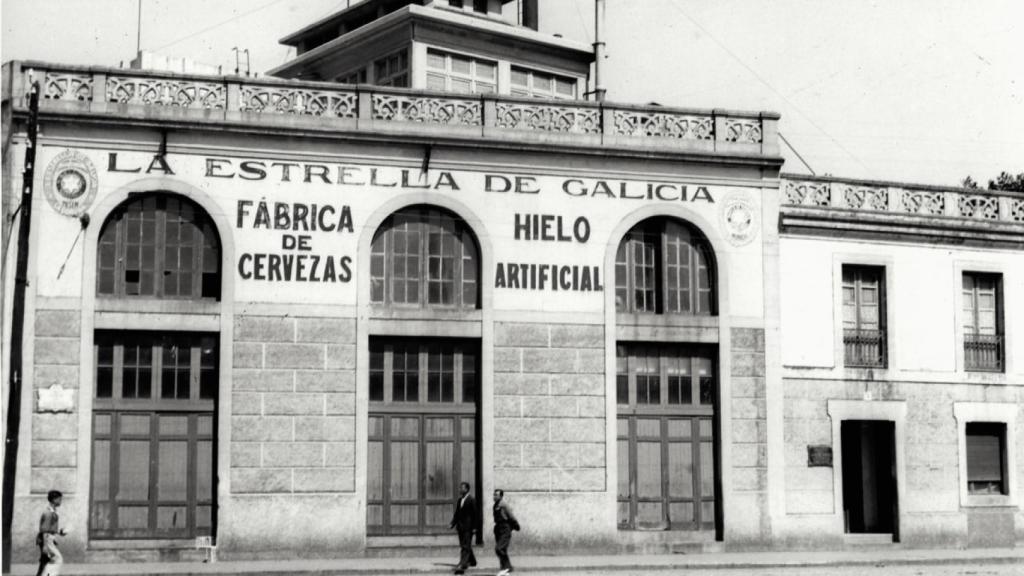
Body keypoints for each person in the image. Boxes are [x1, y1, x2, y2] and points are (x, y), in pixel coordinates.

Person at [449, 481, 479, 574]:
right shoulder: (460, 500)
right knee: (465, 545)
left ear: (466, 489)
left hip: (468, 527)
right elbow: (457, 514)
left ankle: (462, 564)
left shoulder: (471, 499)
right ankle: (473, 561)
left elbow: (475, 515)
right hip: (460, 527)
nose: (460, 489)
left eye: (461, 488)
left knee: (465, 546)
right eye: (460, 488)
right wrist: (452, 523)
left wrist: (474, 527)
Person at [36, 489, 68, 576]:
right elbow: (45, 530)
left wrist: (59, 532)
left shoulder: (52, 512)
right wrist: (45, 546)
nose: (60, 501)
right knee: (57, 559)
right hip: (47, 539)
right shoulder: (48, 513)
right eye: (59, 499)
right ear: (54, 499)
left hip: (49, 538)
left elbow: (50, 528)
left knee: (46, 561)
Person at [492, 489, 519, 576]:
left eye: (496, 495)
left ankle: (507, 567)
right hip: (498, 528)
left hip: (505, 529)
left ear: (501, 496)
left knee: (499, 548)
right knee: (502, 549)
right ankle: (505, 569)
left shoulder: (503, 505)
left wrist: (516, 525)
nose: (494, 496)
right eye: (494, 495)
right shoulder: (495, 505)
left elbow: (511, 516)